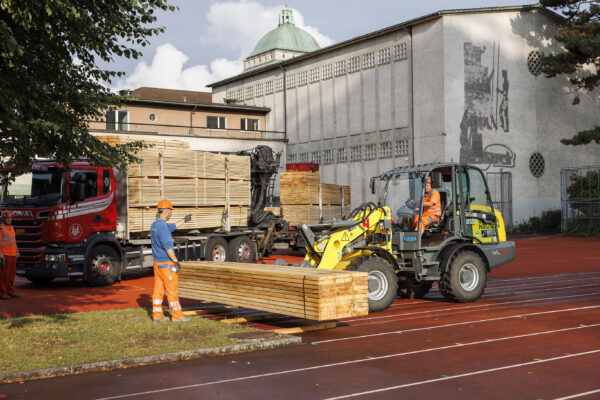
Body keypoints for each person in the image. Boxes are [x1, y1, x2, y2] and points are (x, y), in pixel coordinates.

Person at [150, 199, 192, 322]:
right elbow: (168, 247)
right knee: (172, 290)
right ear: (166, 211)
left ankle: (157, 316)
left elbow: (172, 227)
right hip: (167, 264)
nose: (171, 214)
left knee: (158, 291)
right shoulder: (162, 227)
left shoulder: (155, 225)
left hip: (157, 265)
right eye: (171, 211)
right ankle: (177, 316)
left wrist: (184, 220)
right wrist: (176, 262)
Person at [0, 211, 21, 300]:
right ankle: (2, 293)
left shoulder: (12, 228)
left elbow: (13, 240)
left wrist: (17, 251)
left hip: (12, 254)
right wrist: (0, 254)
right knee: (4, 275)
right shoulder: (1, 229)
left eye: (10, 218)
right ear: (3, 219)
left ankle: (10, 292)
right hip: (5, 255)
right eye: (7, 218)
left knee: (12, 275)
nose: (9, 220)